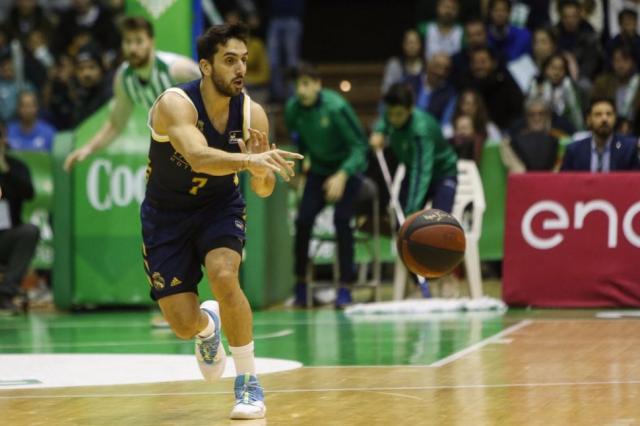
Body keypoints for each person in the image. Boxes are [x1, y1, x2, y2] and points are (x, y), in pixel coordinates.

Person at [143, 23, 303, 419]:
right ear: (205, 66)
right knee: (183, 325)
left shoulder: (252, 114)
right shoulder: (175, 104)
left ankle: (248, 382)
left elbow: (262, 189)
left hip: (219, 206)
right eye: (229, 60)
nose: (240, 69)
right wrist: (249, 160)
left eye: (243, 60)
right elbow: (198, 157)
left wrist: (261, 172)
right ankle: (207, 326)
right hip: (166, 216)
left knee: (224, 274)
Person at [63, 16, 201, 170]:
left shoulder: (177, 70)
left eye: (138, 41)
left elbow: (218, 90)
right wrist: (88, 149)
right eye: (128, 42)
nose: (133, 48)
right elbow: (116, 124)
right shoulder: (124, 79)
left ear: (151, 42)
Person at [284, 62, 368, 309]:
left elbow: (360, 147)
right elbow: (300, 141)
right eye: (297, 85)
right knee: (303, 221)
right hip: (318, 172)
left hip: (347, 170)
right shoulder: (292, 109)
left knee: (342, 220)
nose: (301, 90)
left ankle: (345, 287)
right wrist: (301, 171)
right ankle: (301, 286)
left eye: (306, 84)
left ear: (318, 84)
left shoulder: (336, 107)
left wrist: (342, 175)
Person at [370, 83, 458, 216]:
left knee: (440, 221)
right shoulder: (391, 116)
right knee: (400, 218)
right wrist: (379, 131)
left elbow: (421, 172)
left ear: (410, 108)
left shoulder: (421, 130)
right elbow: (384, 120)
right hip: (412, 170)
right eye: (390, 114)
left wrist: (412, 211)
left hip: (442, 173)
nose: (393, 119)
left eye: (399, 114)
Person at [0, 124, 39, 315]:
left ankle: (5, 294)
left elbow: (28, 193)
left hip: (5, 237)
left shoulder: (16, 166)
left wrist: (5, 170)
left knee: (29, 231)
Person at [561, 97, 640, 171]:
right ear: (589, 119)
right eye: (598, 114)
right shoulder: (574, 150)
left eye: (609, 114)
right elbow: (564, 179)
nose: (604, 119)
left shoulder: (628, 148)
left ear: (615, 118)